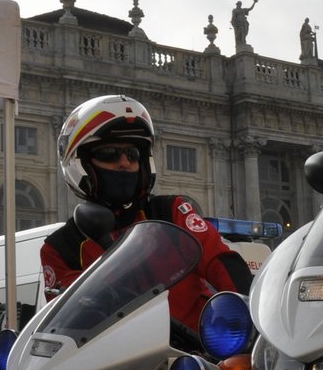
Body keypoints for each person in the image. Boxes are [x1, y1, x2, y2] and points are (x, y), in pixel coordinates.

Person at [43, 95, 252, 330]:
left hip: (192, 354)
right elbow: (68, 318)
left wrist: (253, 311)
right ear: (80, 163)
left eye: (132, 155)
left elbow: (219, 260)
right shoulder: (61, 247)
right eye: (109, 154)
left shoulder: (170, 211)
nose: (124, 163)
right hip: (115, 360)